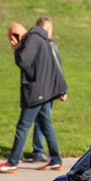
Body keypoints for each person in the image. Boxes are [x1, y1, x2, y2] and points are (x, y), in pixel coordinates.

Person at [0, 17, 67, 173]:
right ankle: (56, 160)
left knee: (23, 127)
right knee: (47, 125)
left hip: (36, 92)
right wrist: (62, 89)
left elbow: (23, 61)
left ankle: (12, 163)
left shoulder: (33, 39)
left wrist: (17, 49)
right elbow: (56, 65)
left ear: (17, 35)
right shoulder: (45, 40)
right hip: (46, 92)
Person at [26, 17, 65, 163]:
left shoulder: (37, 43)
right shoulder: (49, 45)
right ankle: (46, 153)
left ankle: (42, 151)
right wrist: (62, 89)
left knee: (42, 120)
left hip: (43, 89)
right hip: (48, 90)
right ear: (47, 28)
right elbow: (58, 68)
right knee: (44, 120)